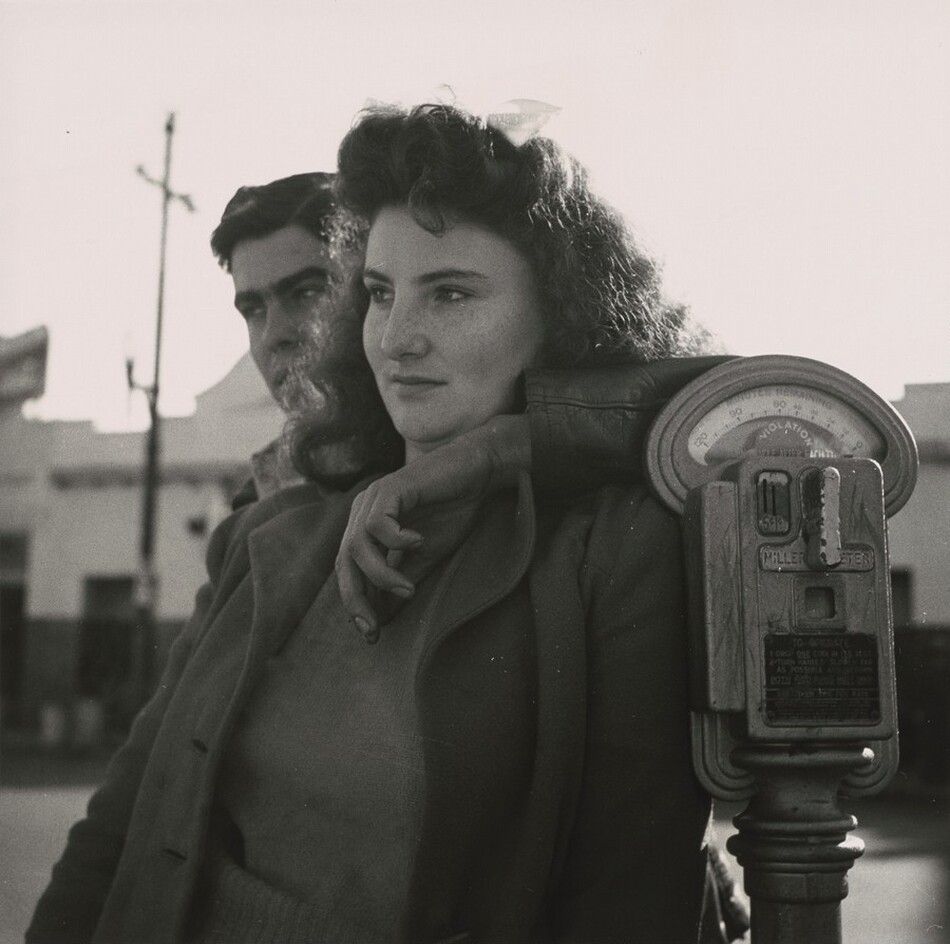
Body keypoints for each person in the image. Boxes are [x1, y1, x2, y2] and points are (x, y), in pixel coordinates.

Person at [29, 101, 736, 943]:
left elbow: (779, 408)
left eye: (450, 294)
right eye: (377, 293)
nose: (397, 337)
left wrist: (494, 448)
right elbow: (122, 824)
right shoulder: (273, 532)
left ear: (559, 313)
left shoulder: (612, 553)